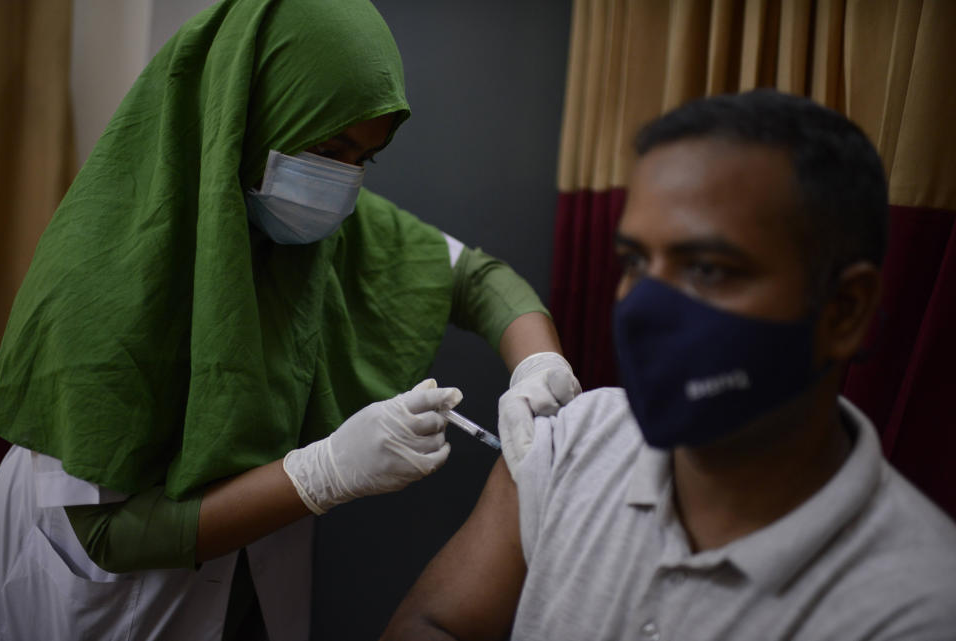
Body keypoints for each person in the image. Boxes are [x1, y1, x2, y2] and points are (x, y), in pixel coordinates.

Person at [0, 1, 579, 640]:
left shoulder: (318, 232)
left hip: (253, 591)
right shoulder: (98, 280)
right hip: (118, 604)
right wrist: (320, 473)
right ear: (251, 112)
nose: (344, 182)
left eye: (366, 158)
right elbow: (102, 534)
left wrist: (537, 365)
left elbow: (479, 279)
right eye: (329, 148)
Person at [381, 90, 956, 640]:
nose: (644, 312)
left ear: (844, 311)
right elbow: (435, 624)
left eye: (706, 268)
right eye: (635, 260)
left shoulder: (917, 607)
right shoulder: (573, 441)